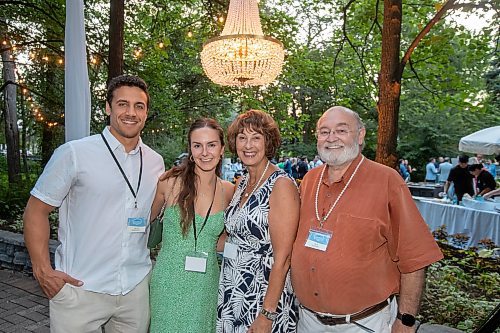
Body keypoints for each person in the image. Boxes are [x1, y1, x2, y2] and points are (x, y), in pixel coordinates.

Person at [23, 75, 165, 332]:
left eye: (139, 106)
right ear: (108, 108)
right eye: (122, 104)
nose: (131, 112)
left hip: (135, 290)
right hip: (81, 288)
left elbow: (149, 215)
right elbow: (35, 211)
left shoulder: (156, 162)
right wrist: (42, 270)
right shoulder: (74, 153)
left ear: (146, 113)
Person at [291, 106, 443, 333]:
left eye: (341, 130)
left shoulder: (387, 181)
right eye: (324, 132)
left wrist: (406, 319)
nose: (331, 138)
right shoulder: (310, 180)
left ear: (360, 135)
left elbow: (415, 257)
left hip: (363, 324)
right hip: (307, 321)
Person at [217, 109, 299, 333]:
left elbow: (283, 258)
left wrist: (267, 315)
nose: (248, 145)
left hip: (262, 296)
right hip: (233, 289)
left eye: (256, 137)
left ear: (268, 142)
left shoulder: (281, 185)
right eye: (242, 138)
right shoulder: (243, 181)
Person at [149, 118, 234, 333]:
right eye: (197, 145)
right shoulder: (168, 183)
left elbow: (223, 240)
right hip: (168, 280)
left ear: (222, 149)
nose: (205, 152)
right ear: (190, 150)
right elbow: (145, 222)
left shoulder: (229, 191)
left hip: (206, 285)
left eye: (211, 145)